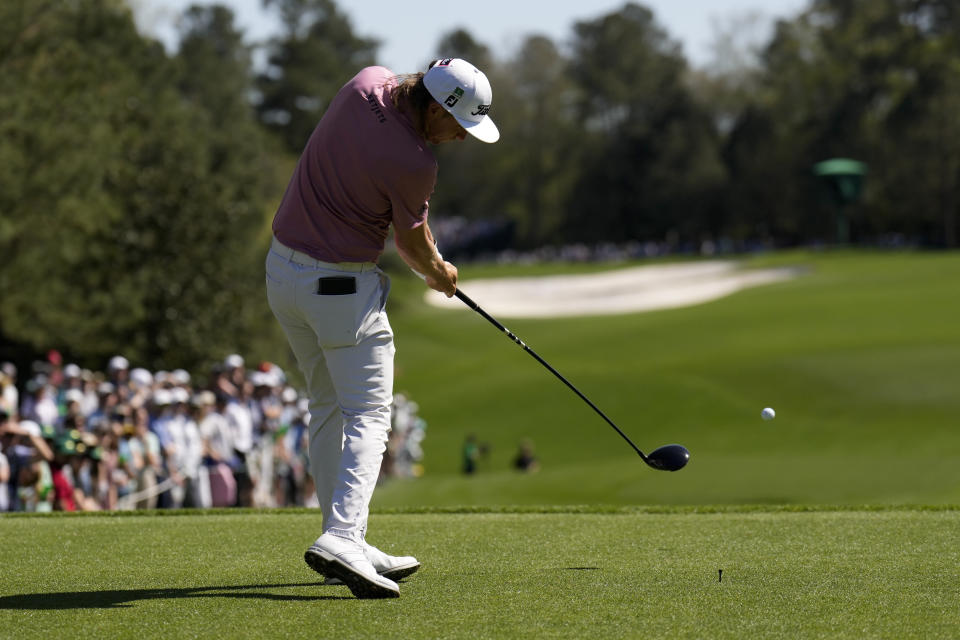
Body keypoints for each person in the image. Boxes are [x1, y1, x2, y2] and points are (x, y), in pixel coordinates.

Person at [265, 57, 499, 598]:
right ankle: (343, 535)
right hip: (340, 290)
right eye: (459, 125)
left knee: (325, 405)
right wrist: (439, 272)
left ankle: (344, 534)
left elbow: (397, 205)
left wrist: (429, 252)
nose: (461, 139)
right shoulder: (416, 162)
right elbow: (411, 245)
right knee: (370, 412)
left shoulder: (365, 82)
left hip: (282, 274)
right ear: (438, 109)